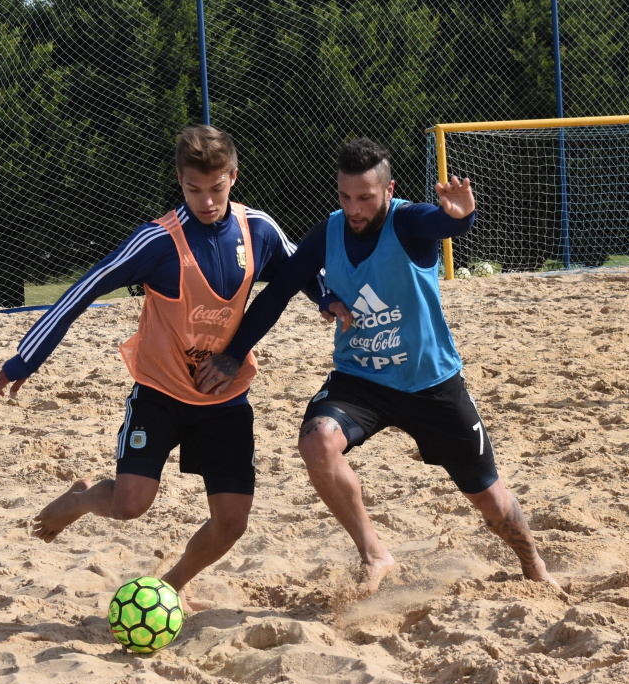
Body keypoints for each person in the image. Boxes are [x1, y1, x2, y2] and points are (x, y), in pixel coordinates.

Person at [194, 138, 558, 597]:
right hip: (360, 381)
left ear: (388, 191)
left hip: (431, 384)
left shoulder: (407, 222)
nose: (354, 208)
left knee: (490, 499)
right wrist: (233, 353)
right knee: (316, 442)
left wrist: (460, 216)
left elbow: (441, 222)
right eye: (345, 197)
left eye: (365, 197)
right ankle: (375, 553)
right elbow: (278, 291)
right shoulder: (329, 231)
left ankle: (534, 563)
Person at [0, 125, 328, 606]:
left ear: (233, 176)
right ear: (180, 180)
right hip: (160, 391)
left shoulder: (258, 229)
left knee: (232, 522)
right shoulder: (158, 241)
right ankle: (83, 498)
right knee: (131, 505)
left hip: (224, 396)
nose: (207, 201)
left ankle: (169, 587)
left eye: (217, 188)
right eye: (194, 190)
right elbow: (85, 288)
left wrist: (329, 300)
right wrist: (27, 357)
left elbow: (301, 271)